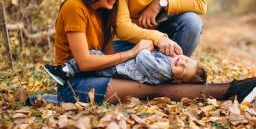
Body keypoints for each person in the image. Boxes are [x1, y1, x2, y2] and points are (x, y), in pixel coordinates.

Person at [52, 0, 256, 105]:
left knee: (155, 81)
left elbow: (106, 52)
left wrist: (146, 55)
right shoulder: (75, 7)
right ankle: (232, 91)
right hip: (74, 85)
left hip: (99, 76)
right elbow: (85, 62)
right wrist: (134, 52)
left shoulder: (102, 11)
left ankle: (237, 87)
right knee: (156, 89)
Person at [44, 48, 207, 85]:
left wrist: (145, 48)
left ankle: (64, 72)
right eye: (186, 59)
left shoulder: (164, 71)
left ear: (179, 79)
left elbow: (143, 60)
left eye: (184, 68)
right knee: (94, 56)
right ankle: (68, 73)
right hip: (120, 66)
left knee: (94, 57)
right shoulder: (169, 64)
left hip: (118, 69)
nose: (182, 61)